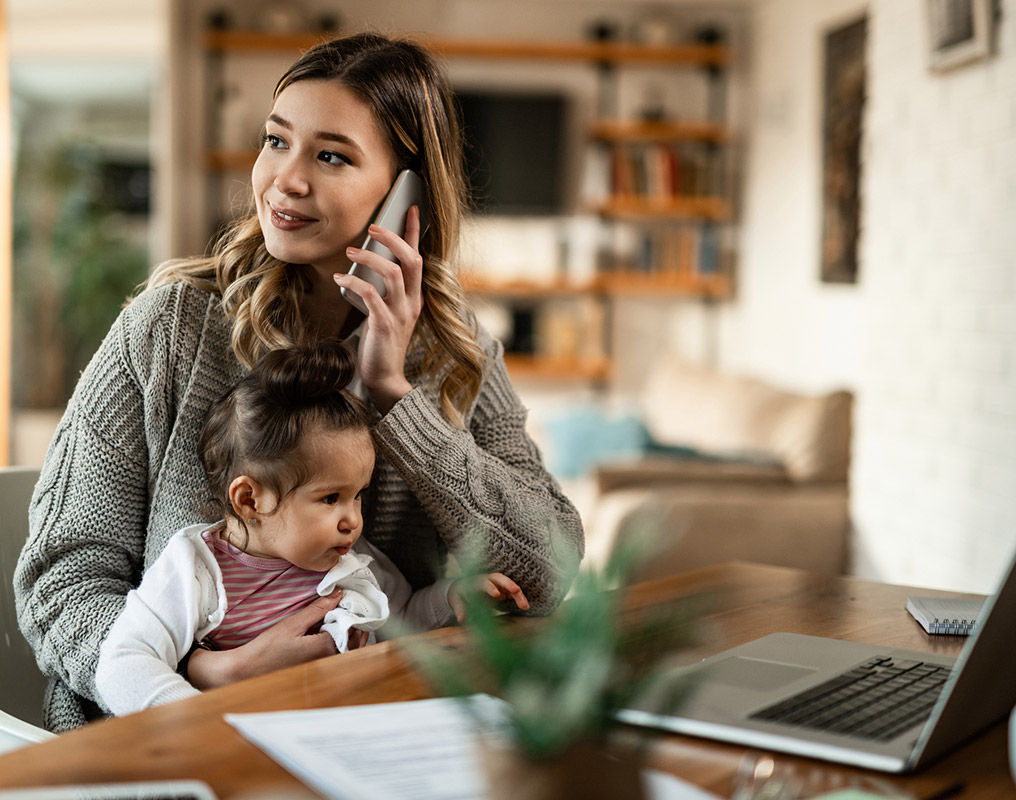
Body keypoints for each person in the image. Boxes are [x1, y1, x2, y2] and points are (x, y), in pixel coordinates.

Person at [14, 32, 584, 732]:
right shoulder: (171, 327)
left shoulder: (455, 351)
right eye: (276, 141)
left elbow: (547, 569)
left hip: (368, 731)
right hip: (159, 740)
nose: (285, 179)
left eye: (332, 156)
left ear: (407, 197)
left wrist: (392, 397)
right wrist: (200, 674)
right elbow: (60, 580)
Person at [95, 340, 529, 716]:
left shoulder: (349, 563)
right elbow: (124, 660)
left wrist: (451, 598)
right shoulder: (195, 570)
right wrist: (194, 717)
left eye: (358, 495)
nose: (353, 520)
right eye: (329, 499)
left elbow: (403, 621)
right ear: (250, 500)